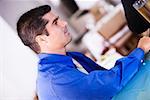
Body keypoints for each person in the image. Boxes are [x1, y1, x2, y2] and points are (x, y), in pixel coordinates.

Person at [16, 5, 150, 100]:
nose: (64, 23)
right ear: (42, 39)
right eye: (56, 23)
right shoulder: (56, 80)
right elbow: (110, 84)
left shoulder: (71, 57)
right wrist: (140, 50)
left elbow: (105, 76)